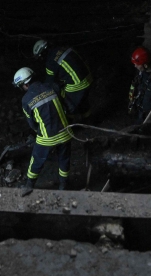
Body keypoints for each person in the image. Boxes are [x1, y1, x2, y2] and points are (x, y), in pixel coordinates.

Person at [13, 67, 72, 196]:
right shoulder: (52, 86)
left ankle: (29, 185)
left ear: (25, 84)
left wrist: (39, 131)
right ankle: (63, 185)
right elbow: (65, 105)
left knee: (37, 159)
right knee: (64, 159)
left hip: (48, 137)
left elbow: (32, 123)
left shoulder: (26, 100)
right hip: (66, 132)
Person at [33, 39, 93, 116]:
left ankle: (69, 115)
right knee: (82, 100)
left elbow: (49, 83)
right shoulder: (63, 48)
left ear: (42, 53)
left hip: (78, 85)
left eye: (40, 57)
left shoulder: (50, 62)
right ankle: (89, 117)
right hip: (89, 76)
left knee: (60, 94)